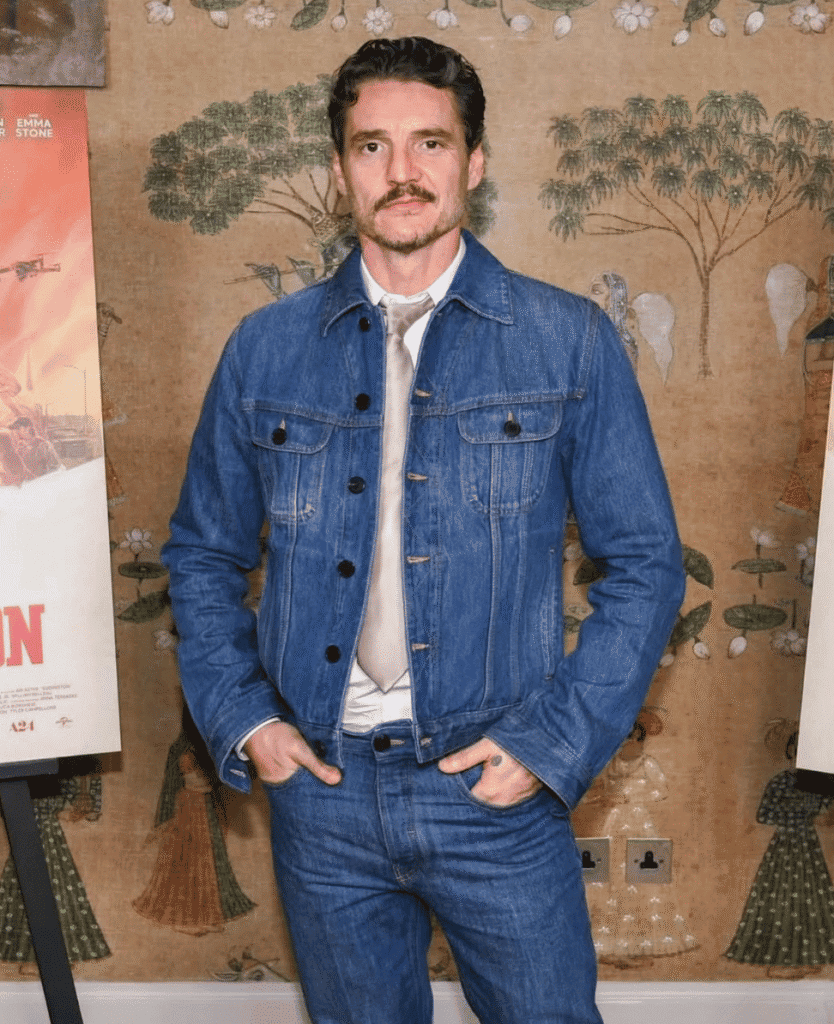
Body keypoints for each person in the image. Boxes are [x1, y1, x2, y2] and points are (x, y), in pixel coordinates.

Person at [162, 36, 685, 1024]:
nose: (401, 172)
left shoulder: (565, 338)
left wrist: (551, 745)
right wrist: (249, 722)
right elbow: (201, 555)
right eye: (371, 146)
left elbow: (647, 566)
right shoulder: (263, 348)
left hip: (495, 784)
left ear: (474, 163)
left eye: (430, 143)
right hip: (321, 792)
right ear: (337, 172)